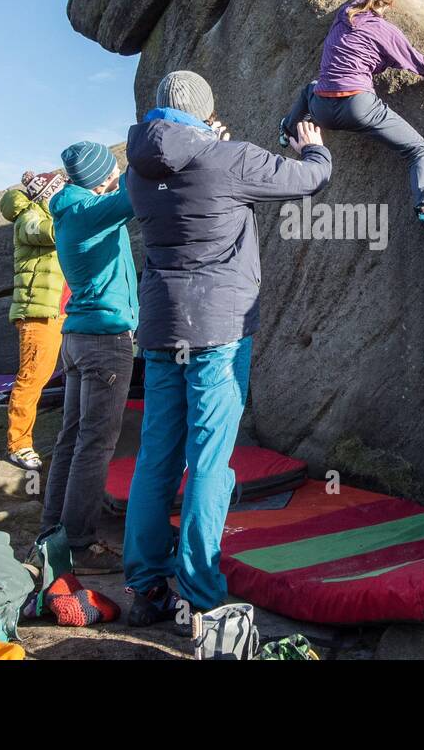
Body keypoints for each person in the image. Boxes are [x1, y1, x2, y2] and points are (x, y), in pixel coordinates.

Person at [123, 70, 331, 628]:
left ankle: (146, 588)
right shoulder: (230, 158)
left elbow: (182, 159)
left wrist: (207, 142)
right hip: (217, 329)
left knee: (156, 457)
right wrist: (315, 150)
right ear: (205, 111)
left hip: (162, 327)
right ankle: (201, 590)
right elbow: (308, 181)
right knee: (210, 460)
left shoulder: (136, 171)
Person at [279, 0, 424, 227]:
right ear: (392, 2)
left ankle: (287, 130)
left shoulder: (344, 15)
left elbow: (361, 0)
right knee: (418, 149)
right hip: (358, 105)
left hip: (322, 107)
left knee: (310, 88)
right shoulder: (385, 30)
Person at [43, 141, 138, 574]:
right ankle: (79, 543)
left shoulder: (72, 209)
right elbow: (137, 192)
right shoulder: (88, 212)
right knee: (94, 444)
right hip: (105, 339)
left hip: (79, 338)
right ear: (102, 175)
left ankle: (53, 532)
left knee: (72, 438)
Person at [0, 169, 68, 470]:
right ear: (48, 195)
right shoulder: (28, 216)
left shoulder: (43, 213)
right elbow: (48, 233)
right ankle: (19, 444)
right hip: (39, 314)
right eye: (60, 191)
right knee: (33, 378)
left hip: (62, 312)